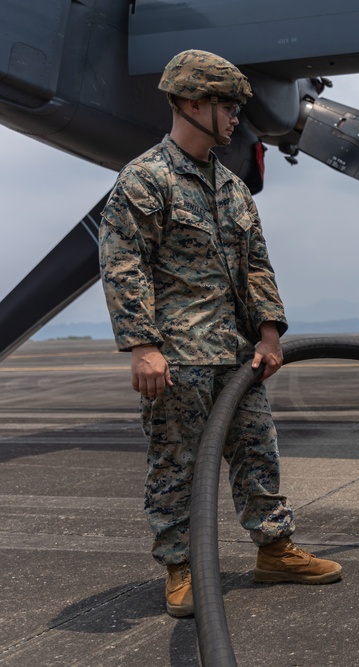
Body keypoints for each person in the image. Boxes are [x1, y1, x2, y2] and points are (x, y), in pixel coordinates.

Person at [99, 49, 341, 618]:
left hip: (237, 355)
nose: (236, 117)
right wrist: (144, 346)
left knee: (259, 452)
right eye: (228, 106)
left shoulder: (233, 188)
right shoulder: (145, 179)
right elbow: (123, 264)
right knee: (175, 465)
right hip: (176, 359)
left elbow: (257, 264)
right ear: (191, 103)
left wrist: (269, 333)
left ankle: (275, 549)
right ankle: (181, 568)